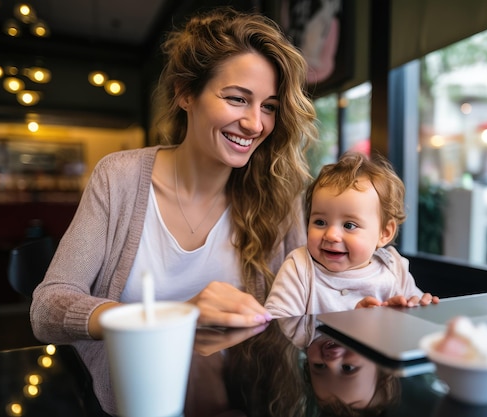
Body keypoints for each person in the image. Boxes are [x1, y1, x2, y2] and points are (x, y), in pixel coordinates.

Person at [30, 7, 317, 415]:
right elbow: (47, 308)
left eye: (269, 106)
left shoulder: (278, 193)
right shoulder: (121, 177)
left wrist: (374, 298)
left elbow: (308, 305)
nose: (255, 124)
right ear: (185, 93)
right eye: (237, 99)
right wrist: (177, 316)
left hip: (241, 402)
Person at [265, 152, 438, 317]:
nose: (331, 235)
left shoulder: (394, 268)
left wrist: (419, 306)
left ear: (384, 233)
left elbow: (411, 314)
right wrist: (349, 320)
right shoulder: (299, 268)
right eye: (320, 222)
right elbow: (277, 323)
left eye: (349, 225)